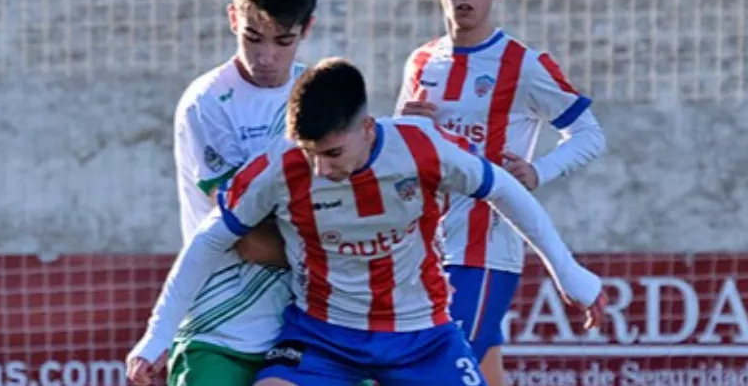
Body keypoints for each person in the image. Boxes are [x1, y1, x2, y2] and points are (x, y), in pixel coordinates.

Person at [128, 57, 607, 386]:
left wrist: (570, 273)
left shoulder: (422, 147)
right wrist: (156, 337)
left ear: (368, 128)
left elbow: (504, 189)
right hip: (322, 337)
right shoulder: (281, 167)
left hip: (422, 337)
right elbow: (210, 240)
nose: (322, 169)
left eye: (333, 153)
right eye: (311, 153)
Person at [395, 0, 607, 386]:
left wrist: (538, 171)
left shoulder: (524, 65)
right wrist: (405, 126)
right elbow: (401, 160)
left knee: (437, 374)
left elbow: (589, 135)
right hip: (424, 251)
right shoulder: (422, 62)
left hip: (484, 250)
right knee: (483, 372)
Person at [126, 0, 318, 386]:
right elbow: (246, 236)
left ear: (306, 29)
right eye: (253, 36)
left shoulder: (318, 97)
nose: (266, 56)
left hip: (305, 326)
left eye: (282, 41)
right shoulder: (207, 103)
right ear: (234, 18)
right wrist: (333, 257)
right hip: (219, 327)